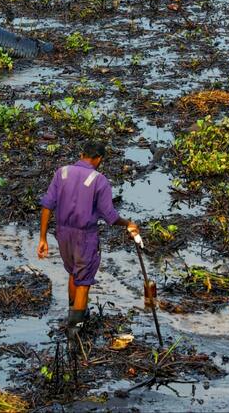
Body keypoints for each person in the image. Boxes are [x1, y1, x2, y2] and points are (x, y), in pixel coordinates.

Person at [37, 141, 143, 339]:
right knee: (84, 282)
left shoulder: (62, 172)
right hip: (85, 236)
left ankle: (73, 313)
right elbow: (110, 216)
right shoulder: (99, 180)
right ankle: (75, 331)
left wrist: (42, 238)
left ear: (81, 153)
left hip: (62, 233)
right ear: (99, 159)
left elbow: (47, 205)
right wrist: (128, 223)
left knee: (72, 272)